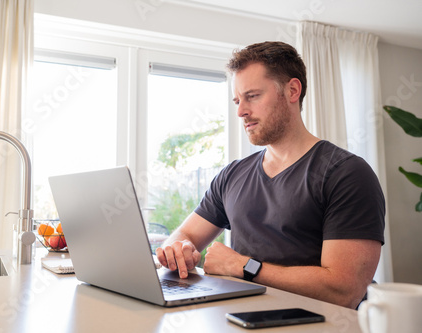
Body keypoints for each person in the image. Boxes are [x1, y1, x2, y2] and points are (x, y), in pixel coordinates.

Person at [155, 41, 385, 309]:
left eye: (252, 96)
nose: (241, 111)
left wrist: (244, 267)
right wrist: (177, 250)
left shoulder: (347, 174)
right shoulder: (232, 175)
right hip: (245, 318)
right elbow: (185, 235)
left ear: (292, 91)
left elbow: (344, 290)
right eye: (238, 100)